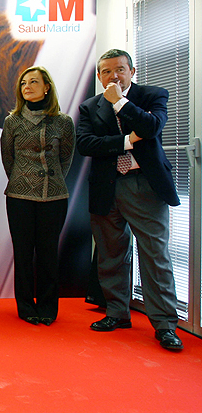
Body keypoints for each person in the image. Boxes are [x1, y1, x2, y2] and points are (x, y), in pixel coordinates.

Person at [77, 48, 183, 351]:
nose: (114, 76)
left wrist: (120, 102)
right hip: (107, 187)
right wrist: (126, 141)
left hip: (144, 186)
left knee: (155, 255)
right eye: (107, 72)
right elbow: (86, 144)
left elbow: (151, 128)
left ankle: (164, 324)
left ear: (132, 72)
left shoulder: (152, 95)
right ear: (99, 76)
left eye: (120, 70)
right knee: (111, 253)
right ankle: (116, 312)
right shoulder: (89, 106)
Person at [1, 66, 74, 325]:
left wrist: (51, 180)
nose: (27, 86)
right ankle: (25, 306)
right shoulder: (12, 121)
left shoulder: (63, 122)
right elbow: (8, 159)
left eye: (33, 81)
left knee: (47, 254)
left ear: (47, 87)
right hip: (19, 196)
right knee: (22, 254)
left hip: (53, 196)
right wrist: (24, 179)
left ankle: (47, 307)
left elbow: (66, 159)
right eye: (23, 83)